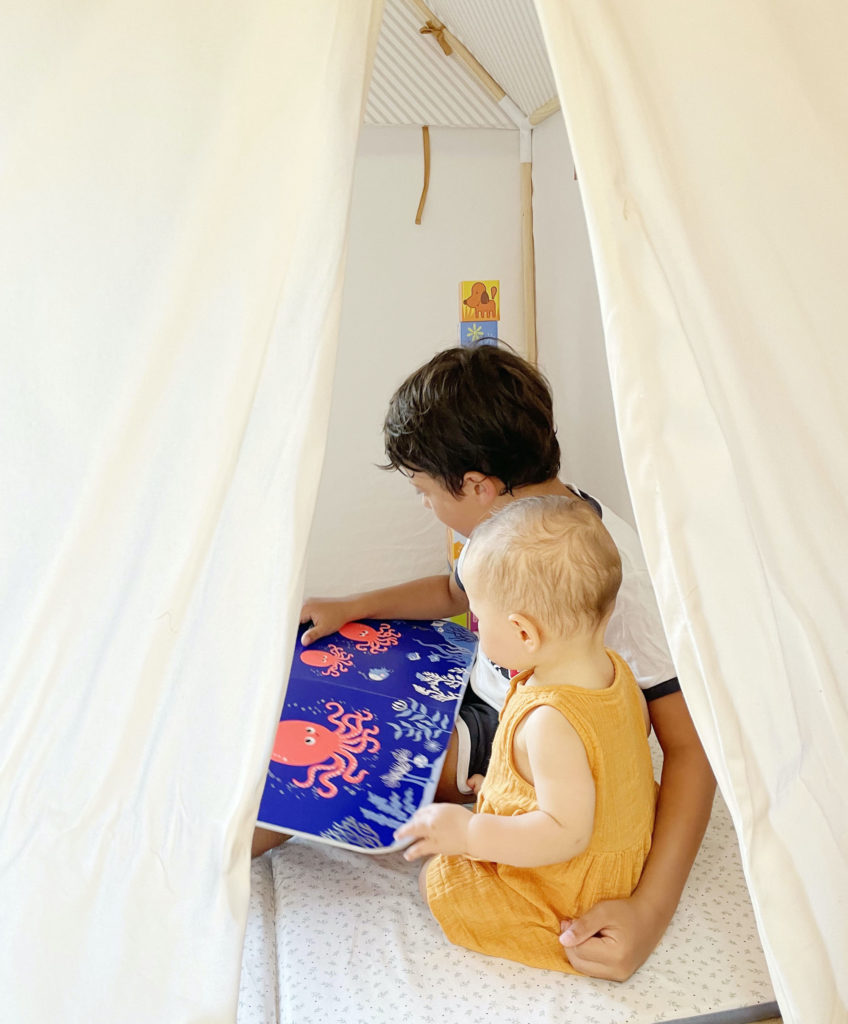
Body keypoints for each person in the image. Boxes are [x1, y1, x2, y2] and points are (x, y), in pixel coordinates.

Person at [259, 343, 715, 980]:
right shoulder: (515, 524)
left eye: (423, 491)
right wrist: (355, 605)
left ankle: (208, 854)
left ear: (476, 484)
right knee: (314, 683)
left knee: (320, 761)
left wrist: (649, 911)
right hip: (474, 684)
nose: (424, 505)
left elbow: (691, 752)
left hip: (526, 732)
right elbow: (455, 592)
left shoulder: (606, 572)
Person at [394, 495, 657, 973]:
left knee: (441, 881)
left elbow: (565, 834)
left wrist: (473, 833)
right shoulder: (613, 670)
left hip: (573, 880)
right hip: (608, 832)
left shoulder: (551, 721)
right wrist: (501, 791)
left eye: (479, 616)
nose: (476, 627)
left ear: (523, 633)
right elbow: (608, 766)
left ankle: (563, 934)